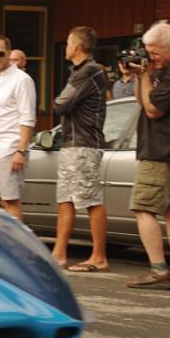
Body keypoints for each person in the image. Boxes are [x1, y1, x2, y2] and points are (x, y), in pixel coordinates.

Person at [125, 21, 170, 289]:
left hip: (161, 151)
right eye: (148, 51)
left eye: (155, 52)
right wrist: (139, 76)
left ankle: (158, 270)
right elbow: (142, 102)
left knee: (143, 208)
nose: (150, 57)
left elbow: (153, 109)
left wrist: (144, 76)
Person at [51, 26, 109, 273]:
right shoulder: (81, 71)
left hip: (84, 144)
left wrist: (58, 102)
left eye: (67, 42)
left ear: (76, 46)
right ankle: (59, 254)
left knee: (91, 200)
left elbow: (61, 104)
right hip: (72, 143)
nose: (66, 47)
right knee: (66, 200)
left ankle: (99, 257)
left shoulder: (89, 71)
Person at [0, 35, 37, 221]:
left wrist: (20, 150)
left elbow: (28, 118)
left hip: (10, 148)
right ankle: (5, 242)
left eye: (0, 53)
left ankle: (18, 247)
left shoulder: (22, 80)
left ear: (8, 54)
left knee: (11, 201)